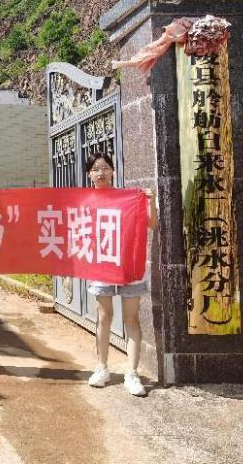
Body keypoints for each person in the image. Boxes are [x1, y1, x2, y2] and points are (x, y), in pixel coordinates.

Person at [85, 151, 157, 397]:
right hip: (101, 265)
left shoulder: (128, 198)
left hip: (129, 265)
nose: (101, 173)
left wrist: (150, 202)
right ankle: (102, 368)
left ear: (113, 171)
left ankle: (132, 373)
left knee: (131, 319)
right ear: (89, 174)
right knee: (104, 317)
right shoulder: (84, 201)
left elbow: (152, 224)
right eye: (95, 169)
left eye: (105, 168)